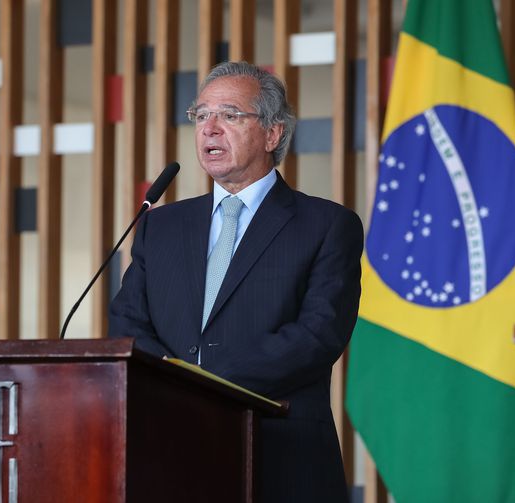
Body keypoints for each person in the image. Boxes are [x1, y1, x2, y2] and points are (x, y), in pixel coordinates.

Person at [109, 61, 363, 502]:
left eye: (229, 115)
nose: (210, 128)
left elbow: (318, 334)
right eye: (201, 114)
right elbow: (129, 323)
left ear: (272, 133)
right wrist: (178, 391)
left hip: (281, 455)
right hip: (169, 455)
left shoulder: (325, 224)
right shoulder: (162, 225)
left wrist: (202, 384)